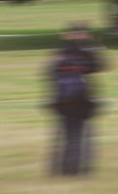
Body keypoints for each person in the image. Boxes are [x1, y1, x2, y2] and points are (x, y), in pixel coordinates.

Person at [47, 24, 103, 176]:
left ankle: (60, 168)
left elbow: (49, 75)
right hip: (79, 102)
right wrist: (91, 44)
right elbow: (99, 66)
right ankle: (75, 169)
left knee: (64, 136)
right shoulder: (82, 55)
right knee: (77, 136)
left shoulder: (58, 55)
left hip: (62, 101)